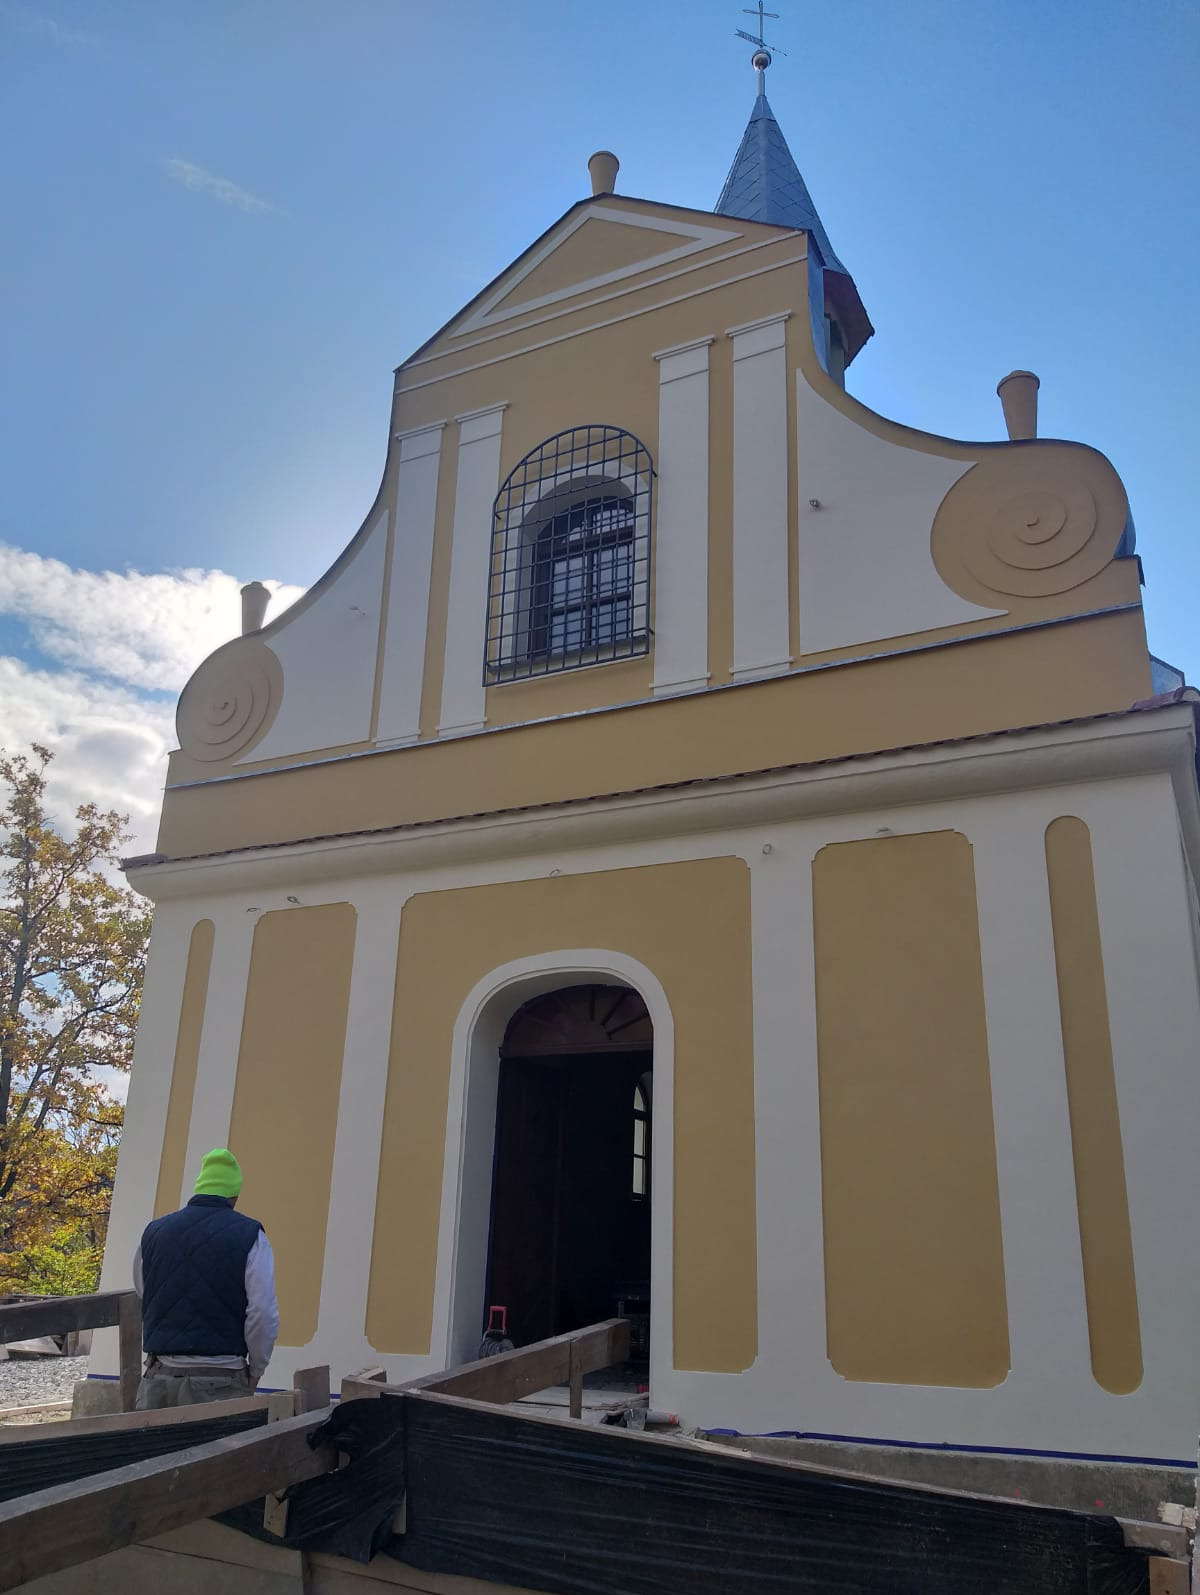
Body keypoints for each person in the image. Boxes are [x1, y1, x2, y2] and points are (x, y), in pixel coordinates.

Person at [132, 1147, 279, 1409]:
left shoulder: (154, 1232)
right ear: (234, 1194)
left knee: (156, 1451)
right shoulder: (251, 1236)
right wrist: (257, 1369)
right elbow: (262, 1312)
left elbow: (144, 1291)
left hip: (159, 1378)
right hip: (220, 1381)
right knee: (218, 1451)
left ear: (199, 1188)